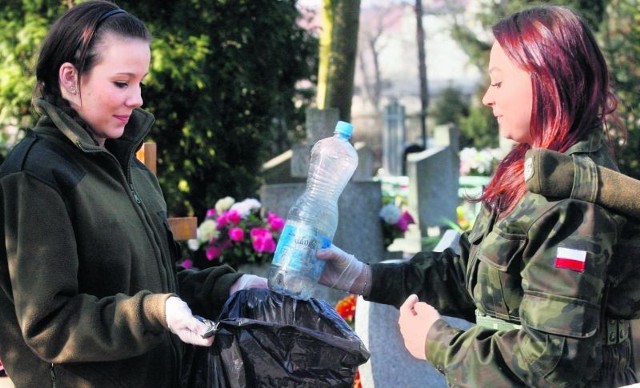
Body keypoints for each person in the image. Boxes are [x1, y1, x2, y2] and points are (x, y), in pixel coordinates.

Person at [317, 5, 638, 387]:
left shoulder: (574, 204)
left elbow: (551, 363)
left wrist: (437, 342)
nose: (487, 97)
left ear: (546, 78)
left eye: (499, 82)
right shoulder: (535, 172)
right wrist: (364, 276)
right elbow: (470, 272)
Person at [0, 1, 266, 387]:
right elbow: (49, 325)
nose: (137, 98)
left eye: (140, 82)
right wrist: (155, 313)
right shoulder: (34, 176)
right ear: (70, 78)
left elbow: (158, 285)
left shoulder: (132, 170)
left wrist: (229, 287)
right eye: (122, 83)